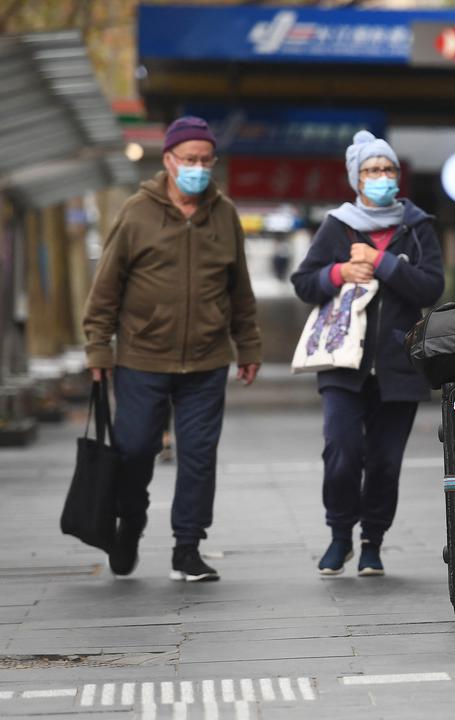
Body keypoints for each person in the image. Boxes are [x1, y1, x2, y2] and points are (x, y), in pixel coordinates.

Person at [83, 116, 262, 582]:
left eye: (206, 160)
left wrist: (248, 345)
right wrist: (98, 349)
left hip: (206, 360)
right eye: (189, 160)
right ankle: (131, 521)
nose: (198, 168)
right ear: (168, 160)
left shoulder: (224, 214)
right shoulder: (136, 213)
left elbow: (239, 287)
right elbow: (106, 288)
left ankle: (188, 547)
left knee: (199, 455)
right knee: (135, 449)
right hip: (141, 358)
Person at [291, 130, 444, 577]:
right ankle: (339, 535)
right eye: (372, 170)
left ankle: (372, 541)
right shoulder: (337, 225)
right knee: (341, 450)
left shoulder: (417, 228)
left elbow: (431, 286)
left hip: (399, 365)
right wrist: (338, 271)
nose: (381, 176)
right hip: (343, 361)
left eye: (388, 169)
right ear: (356, 179)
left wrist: (384, 264)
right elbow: (304, 282)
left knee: (384, 461)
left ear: (397, 176)